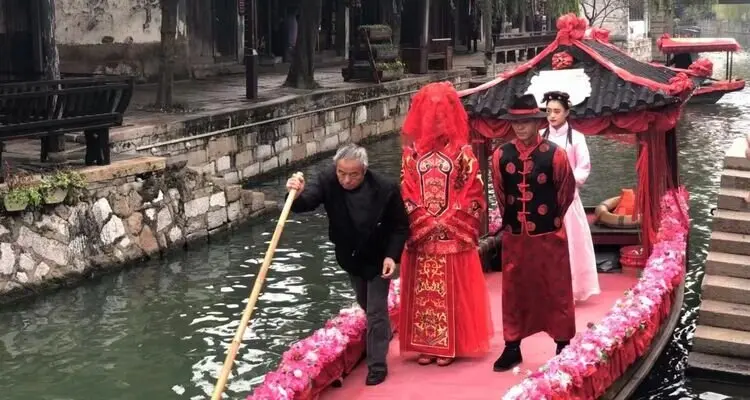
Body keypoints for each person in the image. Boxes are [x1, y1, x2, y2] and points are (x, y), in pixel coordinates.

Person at [285, 143, 409, 385]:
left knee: (375, 310)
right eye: (342, 173)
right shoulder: (327, 180)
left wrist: (391, 256)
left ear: (364, 171)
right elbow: (306, 203)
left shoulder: (385, 187)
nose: (346, 179)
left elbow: (400, 225)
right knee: (365, 304)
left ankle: (377, 364)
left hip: (378, 255)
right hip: (350, 255)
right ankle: (379, 334)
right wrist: (296, 194)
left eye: (353, 174)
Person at [398, 82, 494, 367]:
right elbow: (406, 191)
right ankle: (425, 344)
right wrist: (425, 219)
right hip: (423, 232)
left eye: (442, 113)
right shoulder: (411, 154)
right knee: (423, 290)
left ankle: (451, 344)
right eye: (431, 112)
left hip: (452, 230)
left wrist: (451, 219)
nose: (436, 119)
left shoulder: (463, 153)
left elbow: (474, 191)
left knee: (451, 288)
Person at [490, 94, 577, 372]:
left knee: (557, 288)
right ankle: (512, 346)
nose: (520, 127)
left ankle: (563, 344)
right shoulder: (501, 155)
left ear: (536, 122)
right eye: (515, 122)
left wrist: (548, 219)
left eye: (525, 121)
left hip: (549, 236)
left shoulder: (556, 155)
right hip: (515, 236)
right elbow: (502, 195)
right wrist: (517, 221)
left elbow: (566, 193)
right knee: (514, 289)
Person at [542, 91, 600, 303]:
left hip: (567, 198)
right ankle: (547, 290)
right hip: (543, 199)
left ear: (567, 112)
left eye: (557, 111)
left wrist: (564, 183)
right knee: (545, 245)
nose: (552, 116)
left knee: (571, 244)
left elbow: (583, 168)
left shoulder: (577, 138)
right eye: (548, 111)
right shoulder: (540, 136)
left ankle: (572, 290)